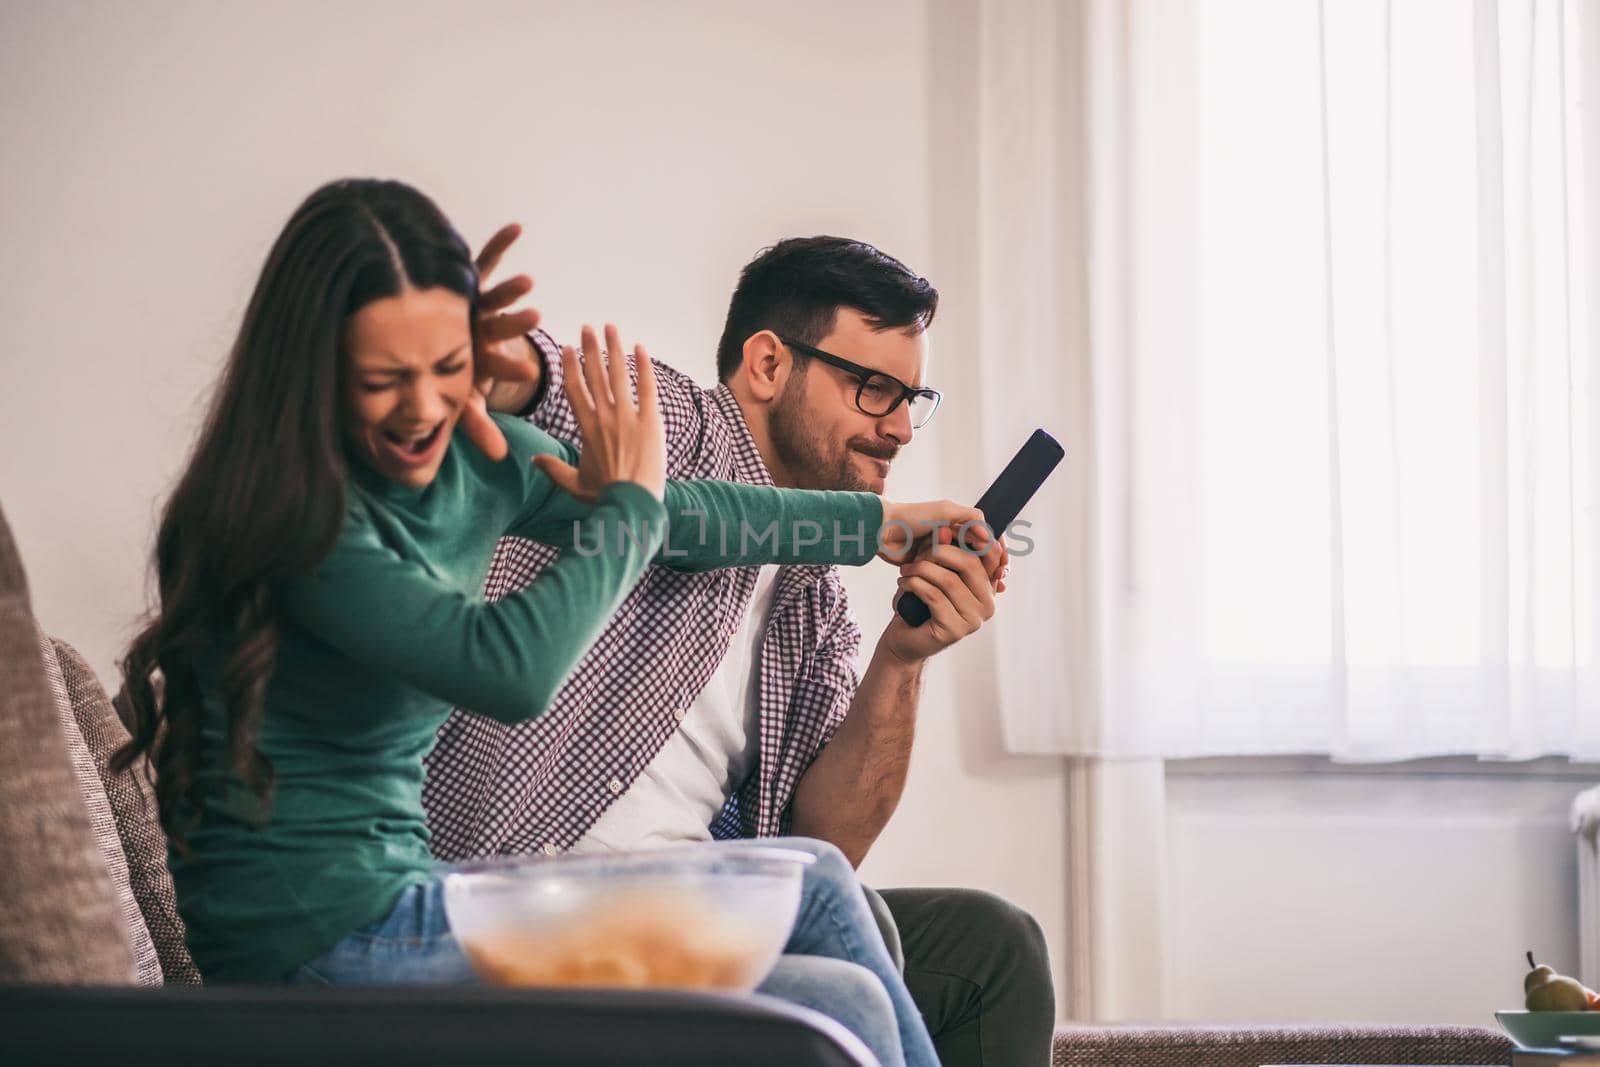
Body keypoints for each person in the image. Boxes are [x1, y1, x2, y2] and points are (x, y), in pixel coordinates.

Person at [113, 178, 981, 1067]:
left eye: (448, 371)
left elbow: (690, 519)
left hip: (411, 898)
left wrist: (877, 526)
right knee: (823, 990)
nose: (423, 409)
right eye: (385, 379)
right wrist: (630, 509)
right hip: (316, 948)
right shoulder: (302, 526)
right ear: (312, 374)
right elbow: (509, 669)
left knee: (828, 907)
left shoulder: (474, 458)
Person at [426, 232, 1055, 1066]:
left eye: (912, 397)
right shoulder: (676, 429)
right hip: (529, 887)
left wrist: (905, 658)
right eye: (874, 389)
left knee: (991, 946)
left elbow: (827, 836)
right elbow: (550, 387)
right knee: (843, 934)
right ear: (766, 364)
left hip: (693, 917)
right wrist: (493, 360)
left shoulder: (814, 603)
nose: (901, 427)